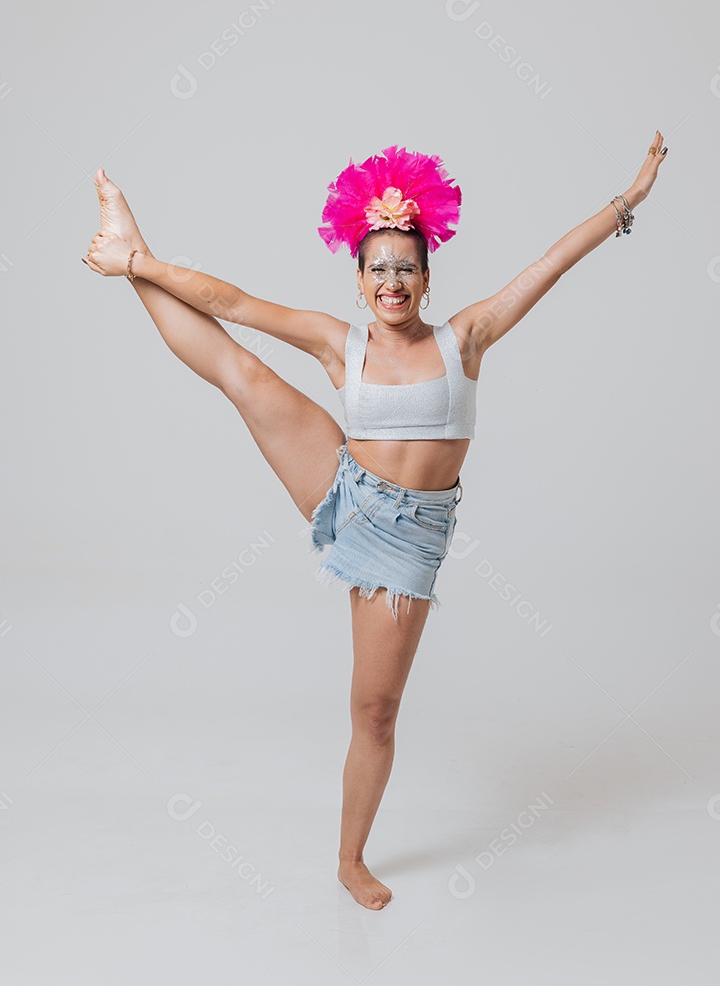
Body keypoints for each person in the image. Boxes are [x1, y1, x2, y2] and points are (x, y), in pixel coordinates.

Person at [83, 136, 669, 910]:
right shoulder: (341, 343)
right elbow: (231, 305)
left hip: (408, 537)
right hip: (344, 484)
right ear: (359, 280)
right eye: (377, 269)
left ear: (426, 276)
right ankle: (132, 250)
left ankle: (348, 859)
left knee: (375, 710)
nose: (392, 282)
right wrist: (139, 266)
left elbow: (551, 263)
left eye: (406, 268)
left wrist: (627, 201)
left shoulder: (467, 337)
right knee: (242, 371)